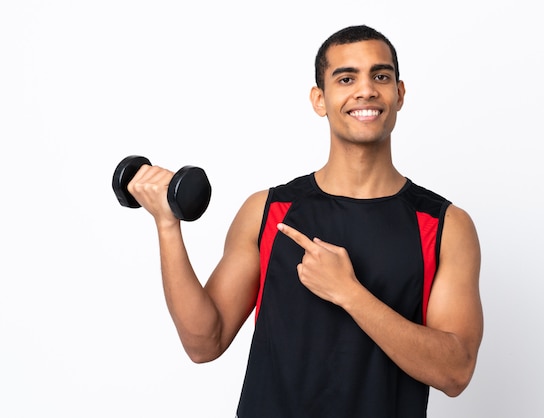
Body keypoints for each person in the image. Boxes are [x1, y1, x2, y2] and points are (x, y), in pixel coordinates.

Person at [127, 25, 483, 418]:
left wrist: (349, 292)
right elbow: (203, 344)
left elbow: (456, 371)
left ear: (399, 94)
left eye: (380, 76)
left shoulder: (445, 225)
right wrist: (167, 226)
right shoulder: (267, 211)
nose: (365, 90)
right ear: (320, 99)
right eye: (346, 78)